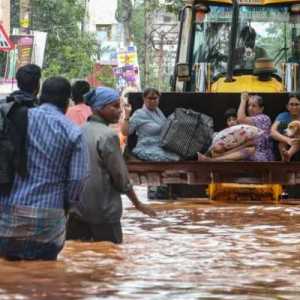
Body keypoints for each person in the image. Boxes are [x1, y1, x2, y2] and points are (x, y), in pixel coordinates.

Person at [0, 77, 89, 260]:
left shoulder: (18, 119)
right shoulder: (73, 131)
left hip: (10, 212)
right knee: (44, 276)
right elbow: (78, 179)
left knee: (9, 275)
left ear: (40, 95)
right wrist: (66, 206)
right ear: (67, 101)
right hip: (49, 216)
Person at [66, 87, 156, 244]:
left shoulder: (77, 131)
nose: (119, 111)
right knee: (111, 257)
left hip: (77, 211)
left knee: (78, 256)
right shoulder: (108, 136)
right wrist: (138, 204)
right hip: (104, 213)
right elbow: (121, 178)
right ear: (99, 108)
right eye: (114, 106)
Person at [198, 93, 274, 161]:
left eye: (254, 106)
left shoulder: (264, 118)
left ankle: (213, 160)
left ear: (261, 108)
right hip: (248, 151)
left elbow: (241, 119)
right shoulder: (248, 122)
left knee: (249, 150)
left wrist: (243, 100)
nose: (250, 108)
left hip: (262, 155)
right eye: (249, 105)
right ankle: (214, 158)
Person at [121, 88, 180, 161]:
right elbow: (125, 132)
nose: (152, 101)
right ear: (144, 99)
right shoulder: (139, 114)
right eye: (149, 98)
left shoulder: (159, 112)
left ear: (158, 99)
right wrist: (127, 115)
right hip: (147, 148)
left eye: (155, 98)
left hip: (162, 146)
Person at [271, 93, 300, 161]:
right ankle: (285, 158)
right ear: (287, 106)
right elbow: (272, 132)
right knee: (282, 141)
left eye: (297, 104)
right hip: (288, 141)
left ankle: (288, 155)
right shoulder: (283, 116)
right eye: (291, 104)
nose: (294, 107)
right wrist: (287, 140)